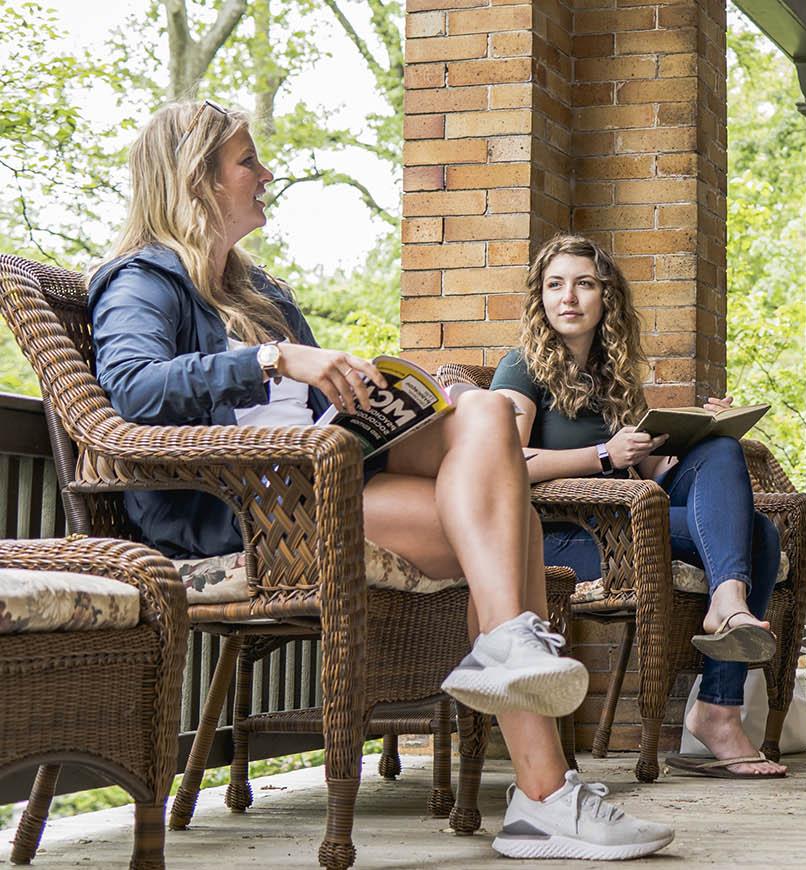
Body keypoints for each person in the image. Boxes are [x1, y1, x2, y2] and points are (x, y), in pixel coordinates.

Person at [88, 101, 672, 860]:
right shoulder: (142, 278)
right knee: (514, 527)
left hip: (319, 477)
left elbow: (304, 402)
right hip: (240, 508)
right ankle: (544, 797)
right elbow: (132, 389)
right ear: (195, 178)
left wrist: (398, 396)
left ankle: (513, 674)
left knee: (487, 411)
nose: (267, 175)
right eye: (247, 161)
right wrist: (271, 358)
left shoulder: (255, 289)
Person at [492, 234, 788, 780]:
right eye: (555, 285)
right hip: (567, 538)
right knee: (755, 538)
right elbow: (504, 460)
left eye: (584, 284)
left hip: (630, 519)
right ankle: (719, 706)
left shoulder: (614, 375)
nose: (569, 297)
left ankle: (725, 628)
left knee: (732, 473)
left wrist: (701, 428)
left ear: (606, 297)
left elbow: (649, 471)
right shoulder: (522, 367)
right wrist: (603, 453)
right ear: (540, 297)